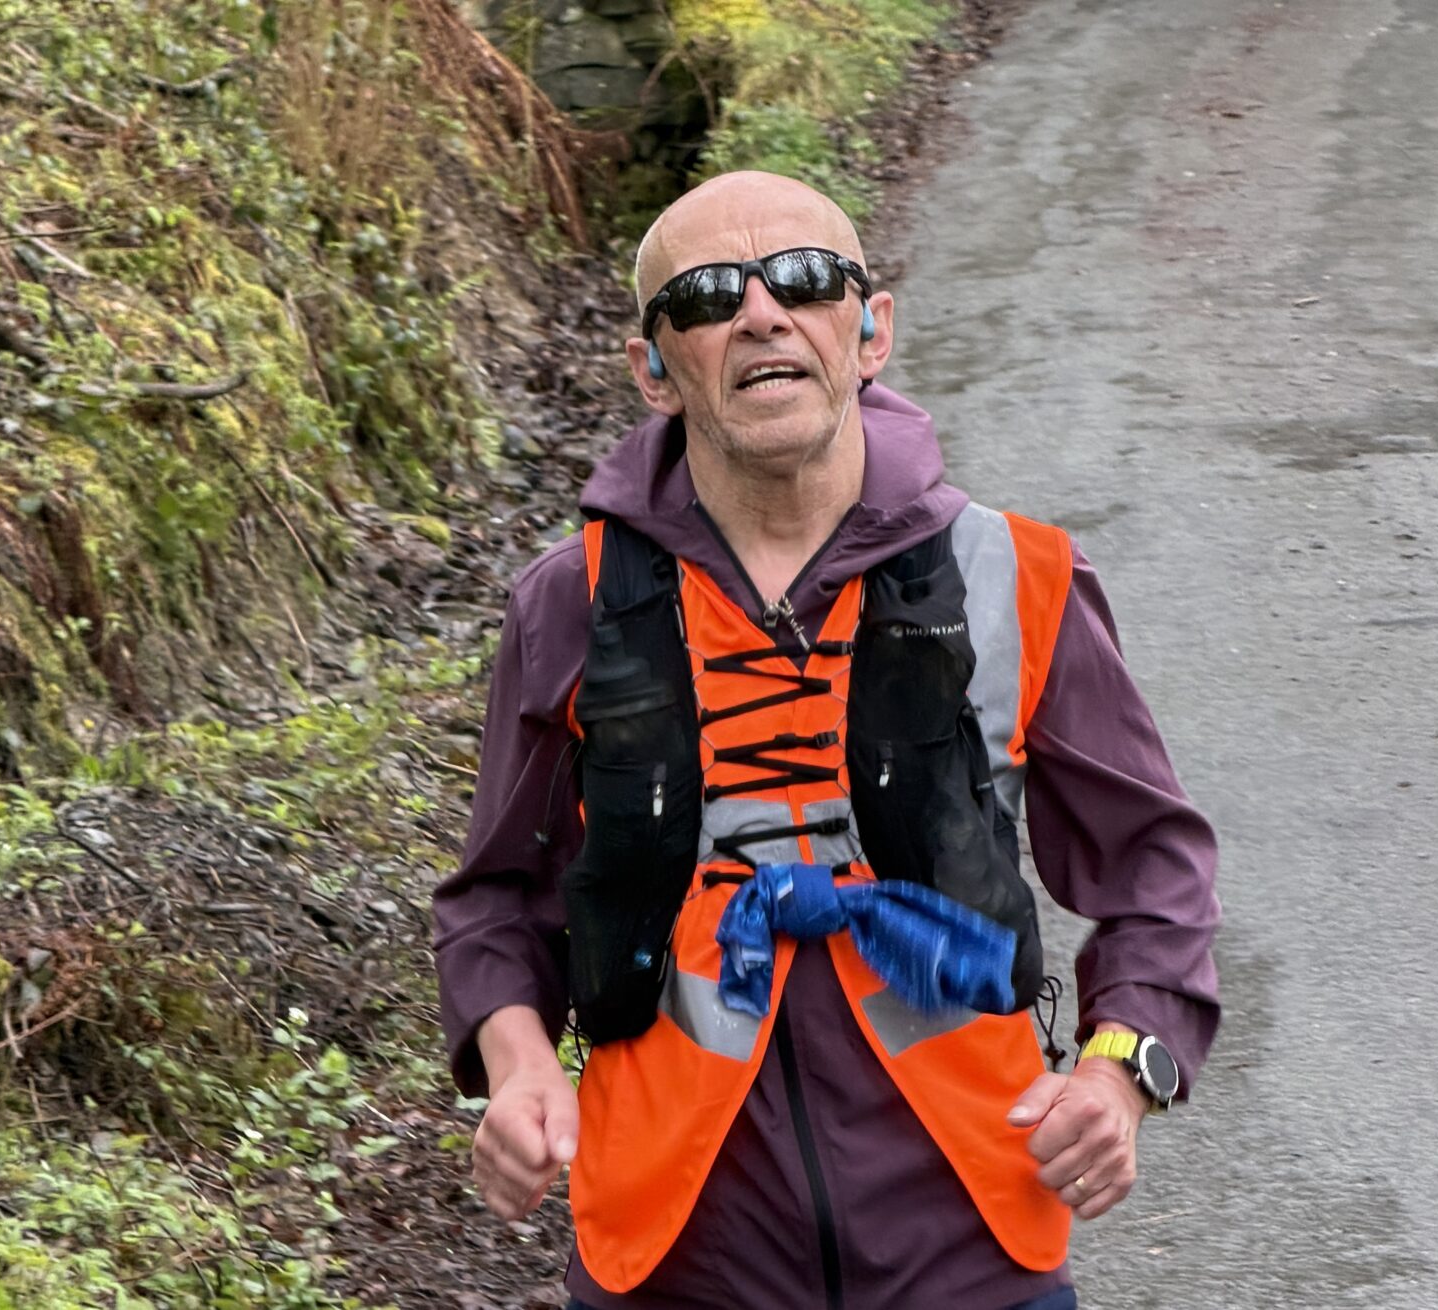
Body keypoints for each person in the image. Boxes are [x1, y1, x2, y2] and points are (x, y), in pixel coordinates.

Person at [432, 170, 1220, 1310]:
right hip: (671, 1258)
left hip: (975, 1246)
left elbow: (1156, 866)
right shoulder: (570, 600)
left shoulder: (1021, 574)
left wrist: (1121, 1069)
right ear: (653, 368)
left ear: (870, 332)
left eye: (804, 280)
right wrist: (516, 1067)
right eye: (708, 296)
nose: (762, 313)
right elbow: (498, 899)